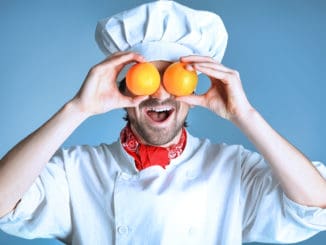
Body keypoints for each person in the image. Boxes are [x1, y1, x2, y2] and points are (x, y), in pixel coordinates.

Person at [0, 1, 325, 244]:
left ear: (193, 88)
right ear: (123, 88)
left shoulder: (232, 169)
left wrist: (247, 116)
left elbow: (317, 204)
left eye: (172, 78)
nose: (159, 94)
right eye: (144, 79)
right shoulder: (78, 170)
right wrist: (77, 108)